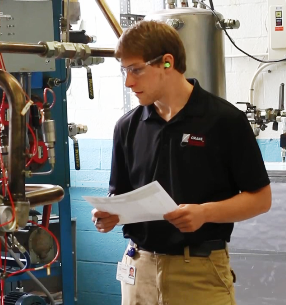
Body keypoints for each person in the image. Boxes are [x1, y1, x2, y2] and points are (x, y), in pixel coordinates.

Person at [91, 20, 272, 305]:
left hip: (200, 273)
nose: (128, 82)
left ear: (166, 63)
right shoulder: (127, 127)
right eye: (124, 71)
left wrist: (204, 213)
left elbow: (260, 199)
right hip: (139, 270)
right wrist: (109, 215)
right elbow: (119, 193)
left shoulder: (224, 121)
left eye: (136, 69)